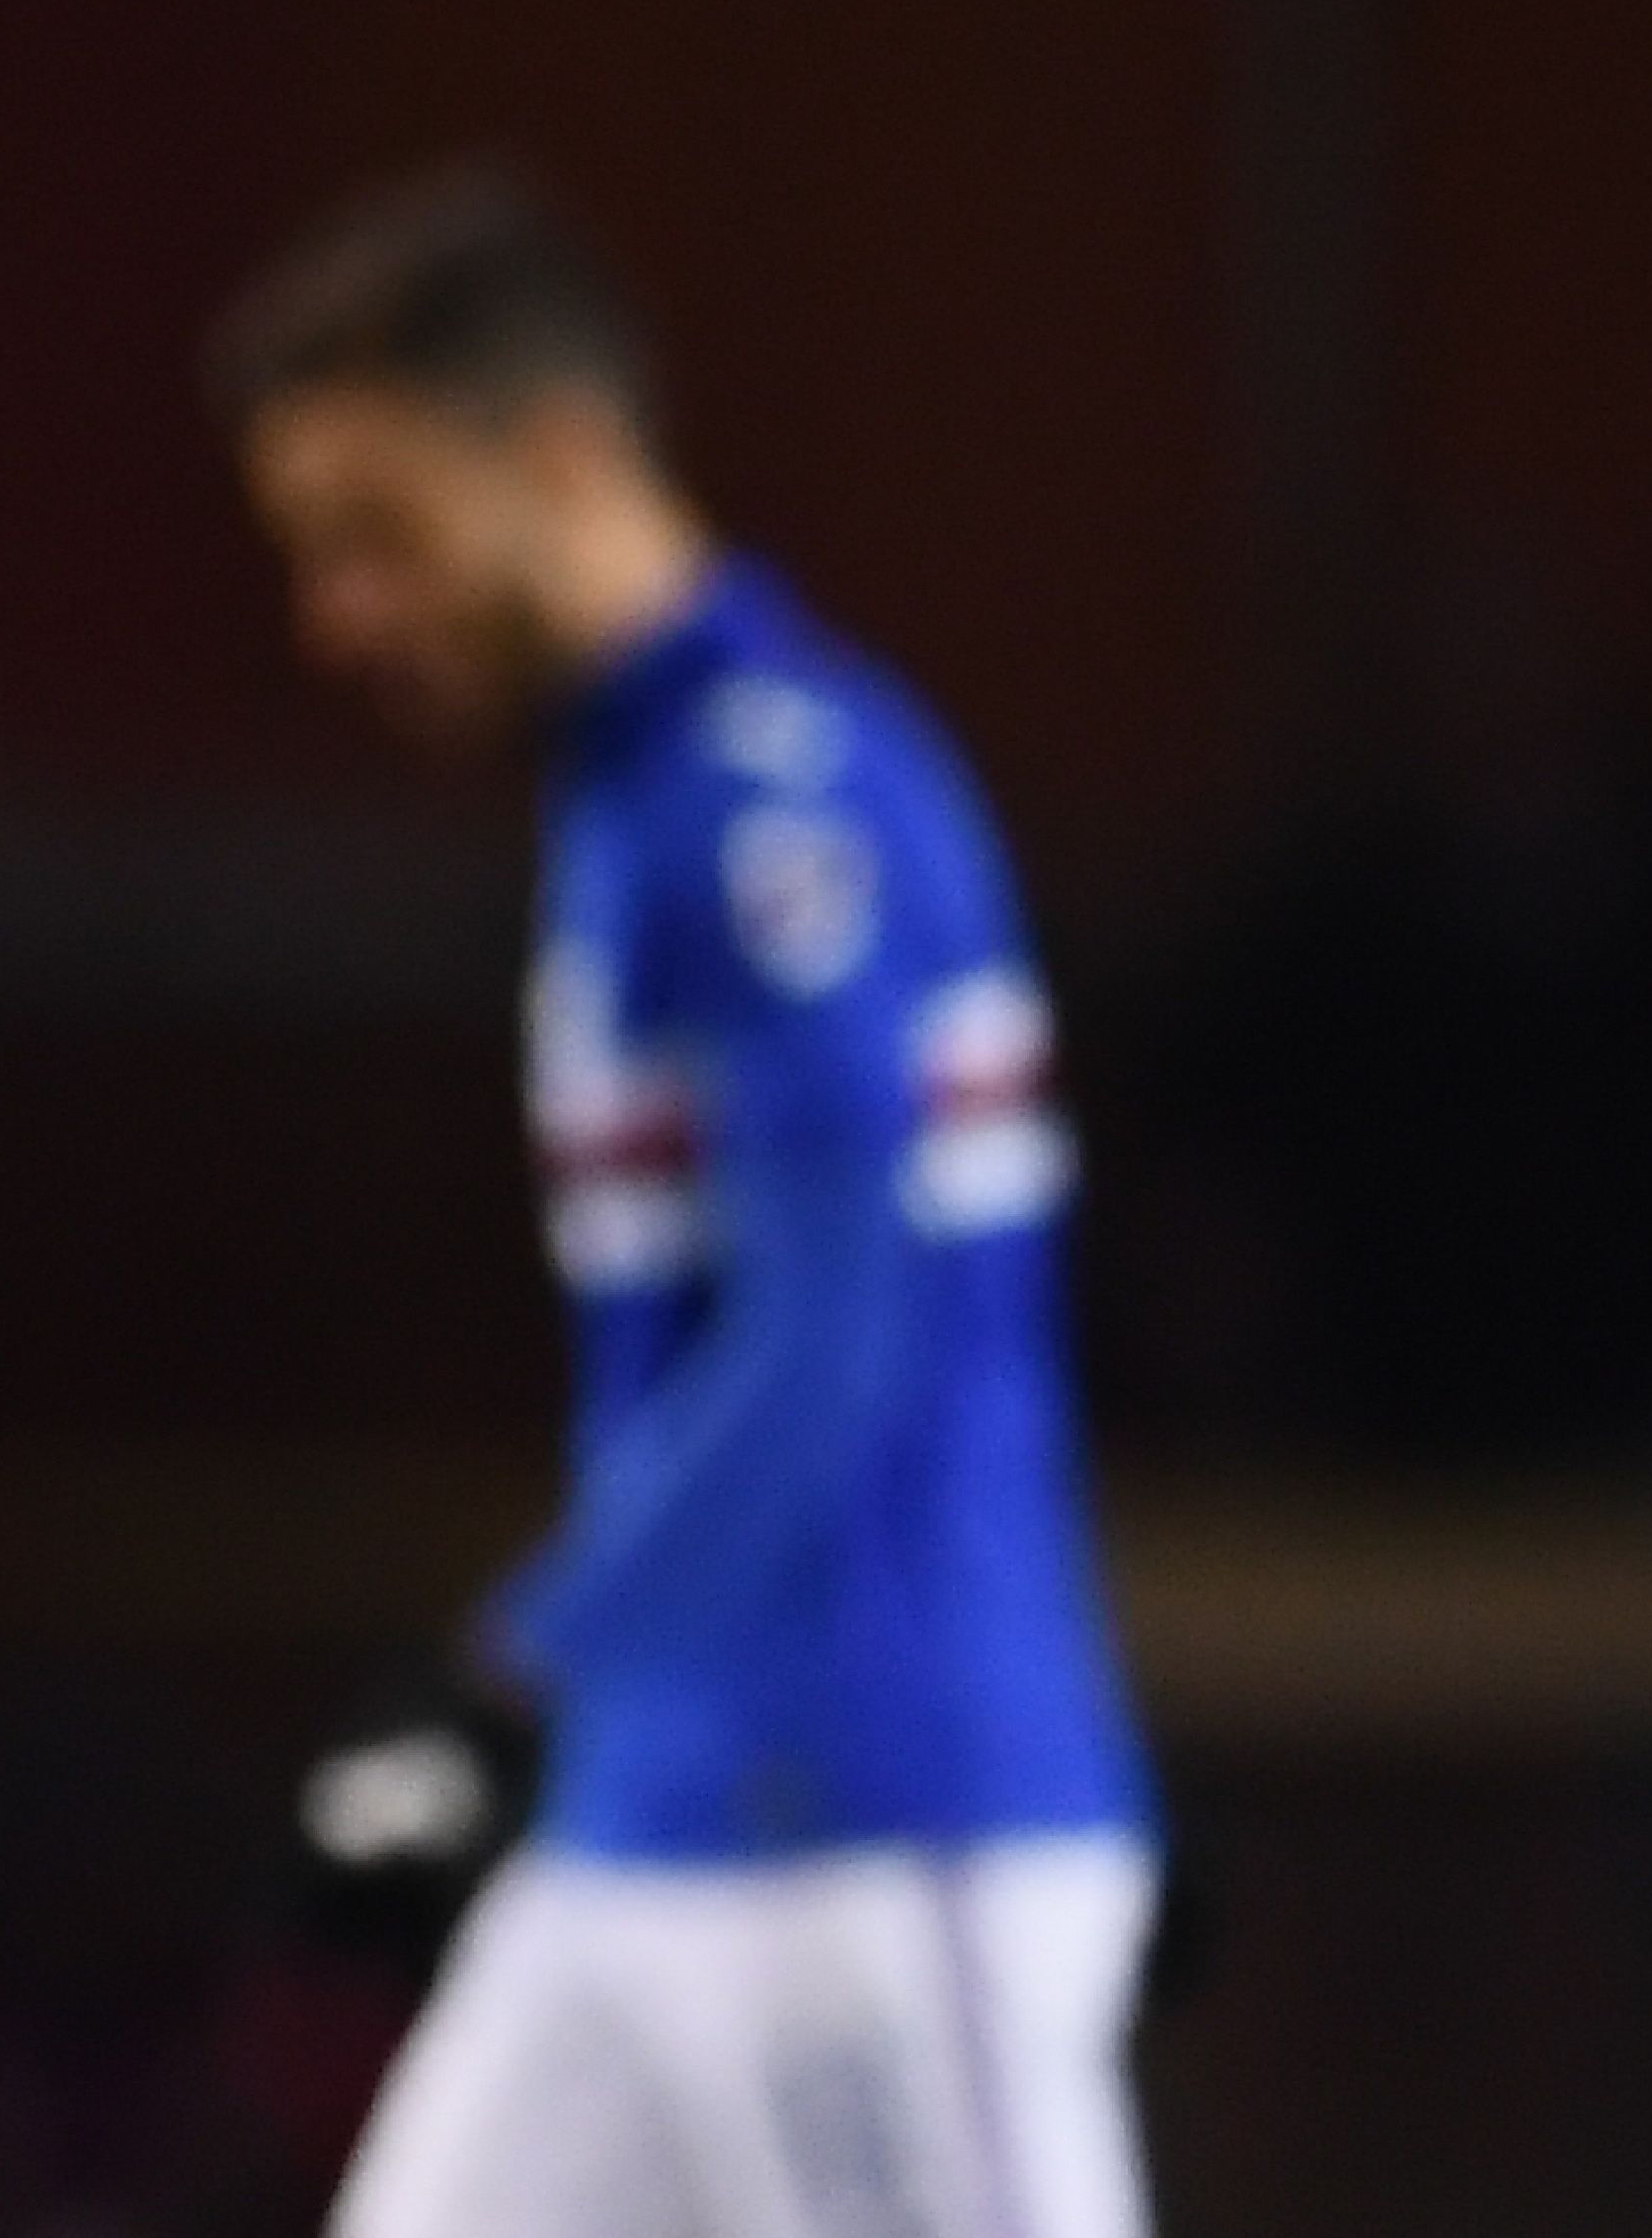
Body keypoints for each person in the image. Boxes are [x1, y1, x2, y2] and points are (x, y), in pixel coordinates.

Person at [211, 166, 1156, 2238]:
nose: (342, 613)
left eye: (380, 534)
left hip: (876, 1812)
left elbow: (843, 1327)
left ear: (557, 453)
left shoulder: (776, 799)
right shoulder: (638, 795)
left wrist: (509, 1672)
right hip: (663, 1814)